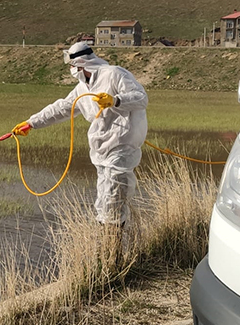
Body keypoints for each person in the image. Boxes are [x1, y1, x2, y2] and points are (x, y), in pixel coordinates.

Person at [12, 41, 148, 227]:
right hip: (101, 149)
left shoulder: (114, 74)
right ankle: (106, 244)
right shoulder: (82, 88)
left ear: (81, 64)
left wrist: (115, 100)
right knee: (103, 200)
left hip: (122, 146)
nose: (72, 70)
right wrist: (31, 123)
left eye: (72, 66)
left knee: (115, 198)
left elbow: (141, 98)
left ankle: (114, 245)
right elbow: (60, 108)